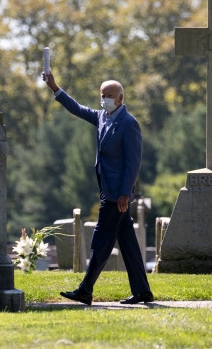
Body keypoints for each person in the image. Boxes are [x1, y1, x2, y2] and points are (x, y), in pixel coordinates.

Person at [42, 70, 153, 305]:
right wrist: (55, 88)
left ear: (121, 98)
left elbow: (133, 163)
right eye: (102, 95)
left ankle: (85, 289)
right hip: (108, 190)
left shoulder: (129, 124)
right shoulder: (103, 117)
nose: (104, 99)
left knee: (101, 240)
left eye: (109, 95)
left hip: (116, 195)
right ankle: (142, 291)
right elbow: (78, 109)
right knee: (128, 243)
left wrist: (125, 193)